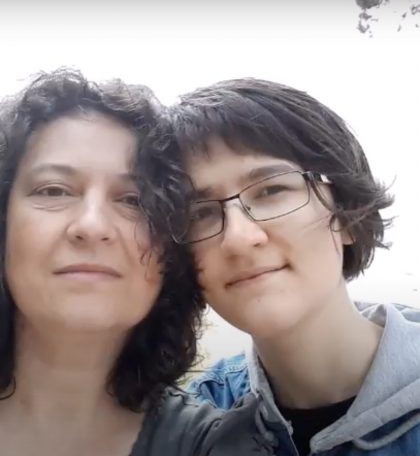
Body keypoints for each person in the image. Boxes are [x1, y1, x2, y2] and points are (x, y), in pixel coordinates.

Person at [137, 78, 420, 455]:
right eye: (199, 214)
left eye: (271, 190)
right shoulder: (192, 426)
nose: (239, 238)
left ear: (346, 214)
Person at [0, 70, 273, 456]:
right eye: (54, 190)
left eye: (133, 200)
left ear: (172, 252)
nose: (92, 226)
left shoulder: (213, 445)